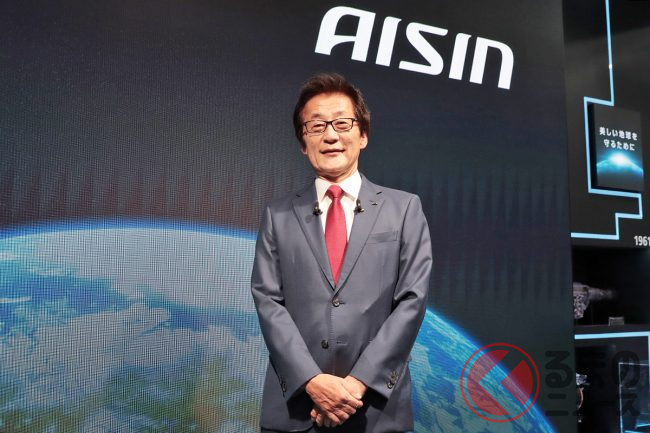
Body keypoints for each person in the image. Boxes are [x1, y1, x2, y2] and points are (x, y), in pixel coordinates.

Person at [251, 72, 432, 433]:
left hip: (375, 411)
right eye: (316, 126)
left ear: (362, 135)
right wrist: (313, 382)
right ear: (303, 143)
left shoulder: (404, 209)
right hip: (296, 411)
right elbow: (268, 301)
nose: (330, 135)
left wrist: (355, 386)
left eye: (342, 123)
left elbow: (412, 301)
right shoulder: (278, 214)